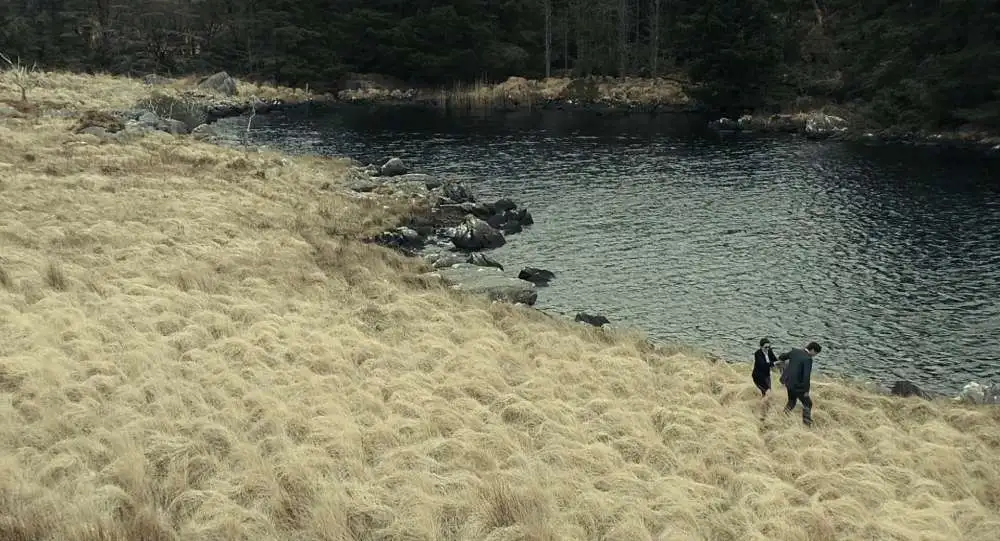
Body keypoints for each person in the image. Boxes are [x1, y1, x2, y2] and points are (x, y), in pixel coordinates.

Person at [778, 341, 823, 426]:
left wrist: (783, 366)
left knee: (792, 401)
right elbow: (806, 377)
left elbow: (781, 357)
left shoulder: (795, 351)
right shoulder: (808, 359)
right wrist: (806, 391)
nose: (815, 355)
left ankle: (783, 417)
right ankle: (806, 424)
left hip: (788, 382)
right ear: (812, 350)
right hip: (798, 386)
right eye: (816, 353)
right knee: (808, 403)